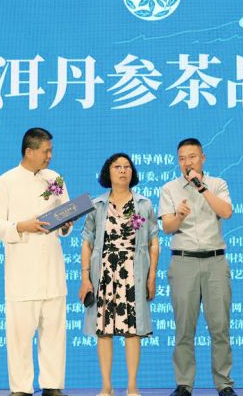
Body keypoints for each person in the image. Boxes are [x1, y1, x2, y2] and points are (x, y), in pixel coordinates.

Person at [0, 127, 73, 396]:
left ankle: (52, 386)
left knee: (54, 332)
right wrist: (21, 226)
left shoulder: (55, 179)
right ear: (29, 151)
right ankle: (21, 389)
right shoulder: (6, 181)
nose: (50, 156)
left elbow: (65, 215)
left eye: (51, 151)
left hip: (52, 267)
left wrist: (66, 224)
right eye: (45, 151)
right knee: (20, 337)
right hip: (22, 270)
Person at [158, 138, 237, 396]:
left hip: (215, 261)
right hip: (183, 261)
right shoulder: (169, 188)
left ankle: (224, 384)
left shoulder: (217, 184)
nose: (187, 162)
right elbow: (167, 227)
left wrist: (201, 188)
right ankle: (184, 384)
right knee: (184, 328)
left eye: (192, 157)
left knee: (220, 326)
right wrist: (179, 216)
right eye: (182, 158)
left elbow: (226, 212)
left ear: (203, 158)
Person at [79, 153, 160, 396]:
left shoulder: (144, 204)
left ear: (132, 173)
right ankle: (106, 387)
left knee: (132, 331)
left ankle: (132, 387)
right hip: (104, 273)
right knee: (104, 331)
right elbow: (87, 242)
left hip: (134, 273)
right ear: (108, 172)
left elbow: (154, 242)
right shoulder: (96, 204)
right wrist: (85, 278)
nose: (123, 170)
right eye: (117, 167)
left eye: (127, 167)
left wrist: (152, 276)